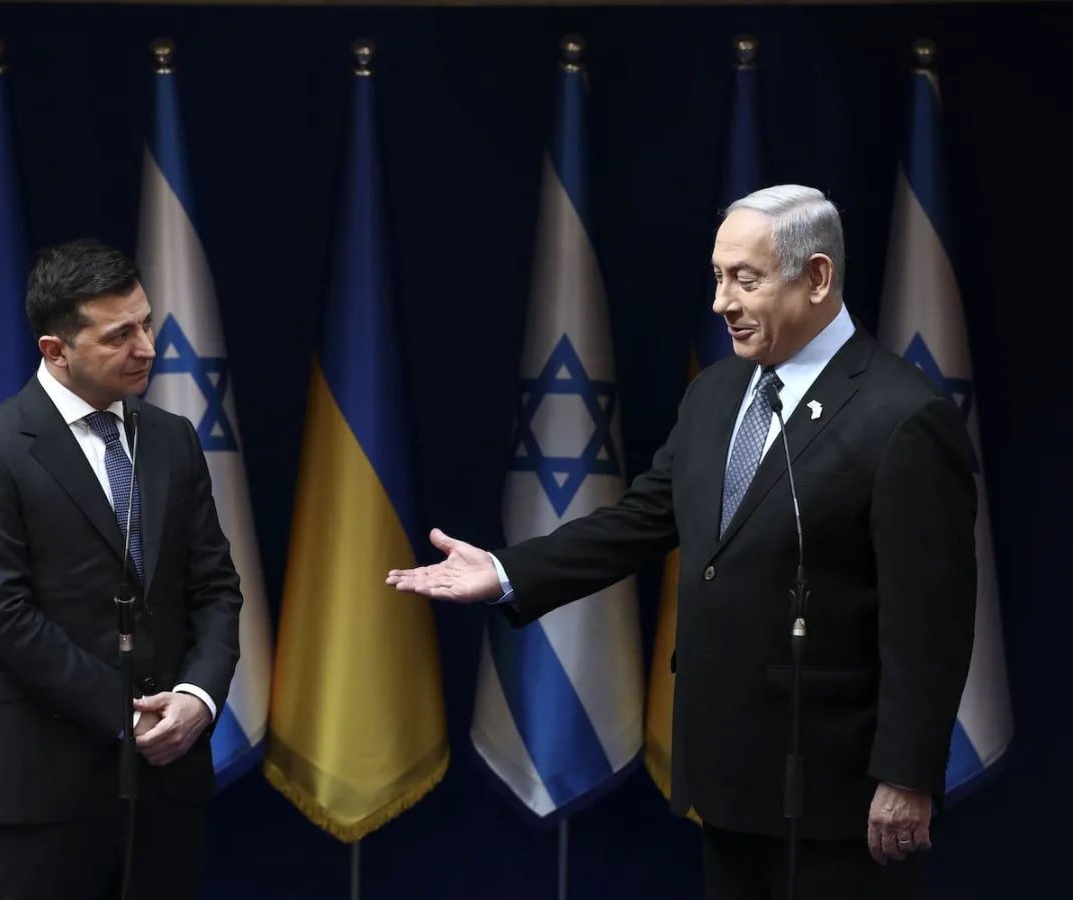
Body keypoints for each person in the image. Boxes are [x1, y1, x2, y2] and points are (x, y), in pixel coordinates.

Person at [388, 185, 976, 899]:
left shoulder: (904, 416)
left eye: (745, 279)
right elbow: (643, 517)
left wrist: (907, 775)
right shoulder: (717, 392)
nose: (722, 302)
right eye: (718, 277)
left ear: (818, 277)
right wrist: (510, 571)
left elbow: (931, 623)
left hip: (838, 791)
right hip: (727, 779)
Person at [0, 239, 242, 900]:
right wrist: (125, 715)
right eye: (120, 335)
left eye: (147, 323)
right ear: (56, 350)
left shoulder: (172, 438)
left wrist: (197, 698)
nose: (148, 347)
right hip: (53, 790)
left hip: (169, 783)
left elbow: (216, 587)